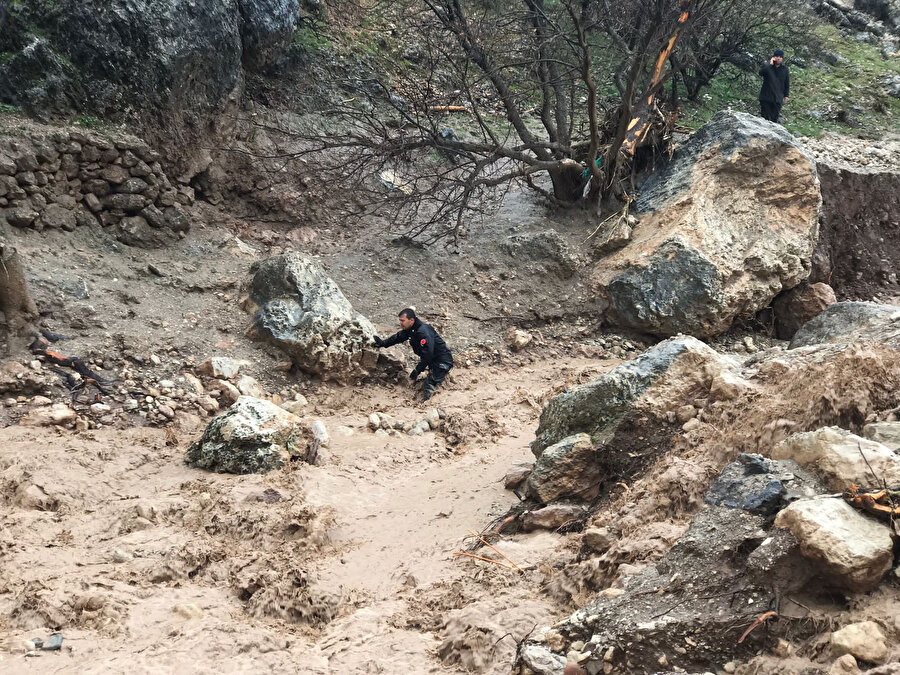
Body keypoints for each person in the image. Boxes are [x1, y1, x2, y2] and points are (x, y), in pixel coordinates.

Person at [373, 308, 453, 401]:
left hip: (443, 361)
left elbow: (428, 354)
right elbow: (398, 337)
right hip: (433, 361)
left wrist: (417, 370)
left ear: (412, 320)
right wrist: (383, 343)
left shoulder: (423, 332)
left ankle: (430, 405)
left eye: (403, 320)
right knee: (429, 377)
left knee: (429, 383)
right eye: (400, 320)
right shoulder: (411, 329)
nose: (401, 323)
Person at [759, 49, 790, 123]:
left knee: (774, 120)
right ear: (773, 57)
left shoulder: (785, 69)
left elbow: (787, 82)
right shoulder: (768, 67)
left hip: (777, 98)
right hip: (766, 97)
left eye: (780, 57)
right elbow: (761, 73)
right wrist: (770, 64)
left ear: (782, 58)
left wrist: (786, 95)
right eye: (776, 56)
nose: (778, 58)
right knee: (764, 119)